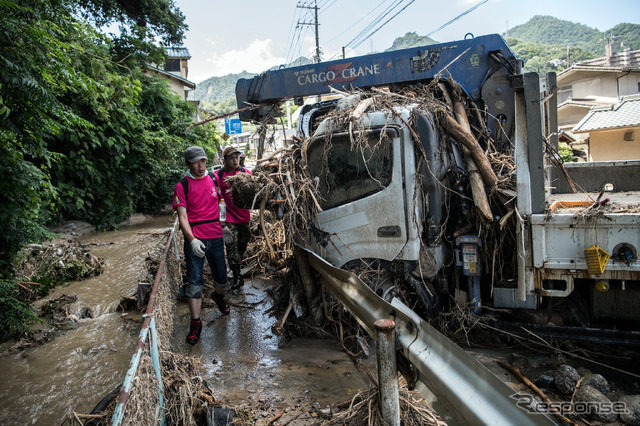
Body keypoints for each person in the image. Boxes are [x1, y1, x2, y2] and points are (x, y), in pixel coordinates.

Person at [173, 146, 230, 345]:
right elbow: (182, 217)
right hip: (195, 238)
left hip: (216, 236)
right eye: (196, 162)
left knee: (222, 279)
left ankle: (218, 295)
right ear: (188, 164)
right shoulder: (183, 185)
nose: (200, 165)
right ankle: (196, 323)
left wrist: (223, 225)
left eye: (203, 161)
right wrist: (191, 240)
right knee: (195, 283)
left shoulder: (214, 179)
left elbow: (221, 203)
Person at [218, 146, 252, 289]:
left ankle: (236, 265)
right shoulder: (218, 176)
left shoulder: (245, 173)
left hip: (244, 215)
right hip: (229, 217)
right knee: (231, 245)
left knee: (243, 242)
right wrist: (222, 223)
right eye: (232, 158)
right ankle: (237, 277)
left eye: (237, 157)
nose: (235, 160)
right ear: (225, 160)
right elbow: (216, 200)